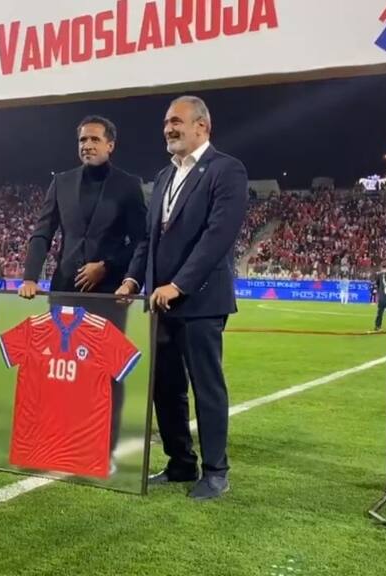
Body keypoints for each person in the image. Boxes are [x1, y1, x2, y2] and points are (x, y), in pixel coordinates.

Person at [116, 95, 248, 500]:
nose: (169, 129)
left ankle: (215, 472)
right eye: (165, 124)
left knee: (207, 386)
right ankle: (179, 462)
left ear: (202, 126)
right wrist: (132, 280)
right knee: (166, 387)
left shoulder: (226, 170)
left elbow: (218, 236)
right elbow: (149, 239)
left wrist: (181, 284)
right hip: (159, 302)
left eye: (176, 121)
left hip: (201, 300)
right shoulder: (163, 175)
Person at [18, 115, 147, 462]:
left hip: (108, 294)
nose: (87, 146)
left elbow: (140, 240)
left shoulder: (128, 185)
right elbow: (43, 232)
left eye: (94, 140)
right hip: (64, 291)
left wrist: (107, 266)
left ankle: (105, 444)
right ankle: (58, 437)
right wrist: (31, 275)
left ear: (110, 145)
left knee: (104, 370)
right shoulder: (60, 182)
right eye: (82, 141)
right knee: (61, 368)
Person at [374, 264, 386, 331]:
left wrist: (379, 291)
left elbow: (377, 284)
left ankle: (377, 326)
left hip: (382, 298)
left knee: (380, 313)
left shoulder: (379, 275)